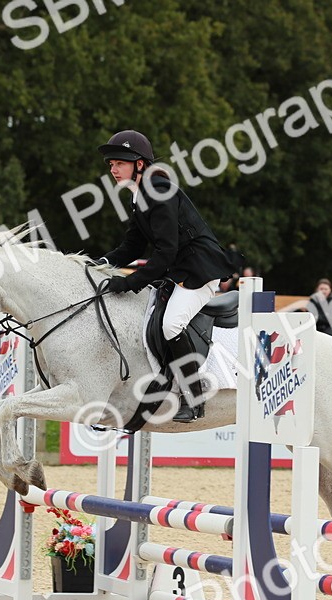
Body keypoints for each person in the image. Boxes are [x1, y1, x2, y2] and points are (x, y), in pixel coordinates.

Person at [97, 130, 234, 422]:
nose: (112, 168)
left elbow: (165, 253)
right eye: (111, 163)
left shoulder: (159, 191)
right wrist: (101, 264)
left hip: (199, 270)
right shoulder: (139, 195)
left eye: (119, 162)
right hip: (179, 270)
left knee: (172, 324)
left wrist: (129, 282)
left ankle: (193, 397)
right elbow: (132, 246)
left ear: (139, 164)